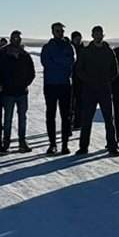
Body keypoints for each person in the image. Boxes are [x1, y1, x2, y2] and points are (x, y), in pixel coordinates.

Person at [74, 25, 119, 156]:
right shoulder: (86, 51)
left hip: (105, 90)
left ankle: (112, 146)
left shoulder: (109, 51)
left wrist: (108, 79)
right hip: (89, 90)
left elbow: (115, 70)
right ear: (92, 35)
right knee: (86, 120)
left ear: (103, 35)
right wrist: (87, 79)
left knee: (108, 120)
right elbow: (79, 68)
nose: (98, 36)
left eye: (100, 34)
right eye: (96, 34)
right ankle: (83, 147)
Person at [40, 22, 77, 154]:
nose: (60, 33)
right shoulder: (47, 47)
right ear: (52, 32)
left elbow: (71, 61)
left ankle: (65, 144)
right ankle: (52, 144)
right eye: (57, 31)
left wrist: (56, 60)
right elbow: (46, 63)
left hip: (65, 85)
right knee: (51, 115)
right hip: (50, 85)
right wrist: (62, 62)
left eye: (61, 31)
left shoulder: (69, 47)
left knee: (65, 116)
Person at [1, 30, 36, 152]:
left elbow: (31, 72)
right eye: (14, 38)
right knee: (7, 118)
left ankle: (22, 141)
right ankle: (6, 141)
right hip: (8, 92)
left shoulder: (25, 55)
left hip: (22, 92)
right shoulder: (4, 54)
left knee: (22, 118)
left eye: (18, 39)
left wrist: (25, 84)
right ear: (11, 39)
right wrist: (3, 85)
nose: (16, 40)